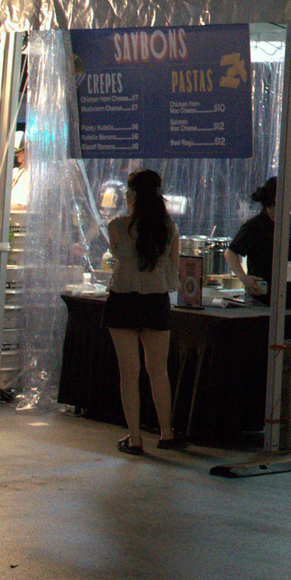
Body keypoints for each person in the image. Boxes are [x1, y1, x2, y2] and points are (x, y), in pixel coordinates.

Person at [104, 169, 180, 455]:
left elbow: (117, 254)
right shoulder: (168, 227)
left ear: (132, 194)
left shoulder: (116, 226)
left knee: (129, 374)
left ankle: (135, 439)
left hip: (122, 301)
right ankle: (167, 433)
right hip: (156, 301)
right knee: (159, 372)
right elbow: (173, 268)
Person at [228, 177, 291, 307]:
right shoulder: (255, 225)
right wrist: (244, 278)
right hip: (261, 296)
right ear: (277, 198)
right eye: (289, 194)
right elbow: (230, 253)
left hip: (287, 295)